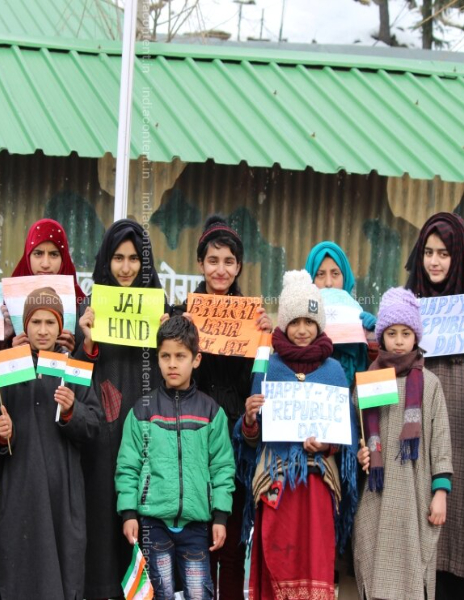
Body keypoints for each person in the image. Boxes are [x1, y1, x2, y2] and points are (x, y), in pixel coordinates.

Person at [235, 270, 357, 600]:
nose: (302, 330)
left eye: (309, 321)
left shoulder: (334, 371)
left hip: (316, 485)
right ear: (284, 325)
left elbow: (346, 436)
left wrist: (327, 444)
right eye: (294, 321)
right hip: (276, 486)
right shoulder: (268, 367)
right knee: (277, 561)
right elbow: (250, 439)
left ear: (319, 325)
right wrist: (249, 419)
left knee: (315, 563)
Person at [168, 215, 271, 599]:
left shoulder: (253, 319)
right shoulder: (182, 314)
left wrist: (267, 335)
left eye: (229, 261)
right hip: (191, 435)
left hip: (236, 442)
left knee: (231, 546)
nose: (221, 269)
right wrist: (177, 327)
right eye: (213, 260)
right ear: (200, 264)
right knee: (196, 543)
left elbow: (257, 380)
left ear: (239, 266)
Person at [0, 287, 100, 599]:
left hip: (62, 499)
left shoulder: (73, 368)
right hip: (19, 497)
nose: (42, 330)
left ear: (60, 326)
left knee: (62, 581)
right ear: (25, 326)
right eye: (35, 322)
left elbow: (94, 426)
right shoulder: (9, 369)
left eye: (49, 322)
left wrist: (71, 412)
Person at [115, 316, 235, 599]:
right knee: (161, 593)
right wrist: (129, 513)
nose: (172, 363)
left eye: (180, 356)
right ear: (157, 359)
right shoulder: (142, 410)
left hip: (196, 525)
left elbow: (222, 467)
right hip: (153, 523)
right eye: (165, 355)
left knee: (198, 594)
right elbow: (128, 465)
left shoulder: (211, 412)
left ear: (196, 360)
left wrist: (220, 516)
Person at [81, 219, 167, 599]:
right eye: (118, 258)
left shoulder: (162, 310)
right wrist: (86, 343)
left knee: (146, 540)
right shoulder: (90, 311)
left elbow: (179, 370)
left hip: (150, 445)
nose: (127, 267)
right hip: (102, 443)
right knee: (102, 534)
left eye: (135, 259)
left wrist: (167, 335)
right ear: (106, 261)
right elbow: (75, 377)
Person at [354, 287, 453, 600]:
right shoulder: (370, 380)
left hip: (415, 493)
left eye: (406, 332)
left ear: (416, 336)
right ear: (381, 336)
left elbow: (440, 440)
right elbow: (359, 432)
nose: (398, 340)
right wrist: (361, 453)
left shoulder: (429, 383)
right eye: (392, 332)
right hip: (376, 495)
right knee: (375, 567)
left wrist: (440, 493)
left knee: (412, 579)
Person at [405, 213, 464, 600]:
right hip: (413, 444)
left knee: (449, 554)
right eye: (428, 252)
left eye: (444, 253)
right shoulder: (404, 309)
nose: (434, 261)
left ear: (459, 258)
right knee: (411, 554)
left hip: (460, 447)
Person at [305, 241, 370, 600]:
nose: (329, 282)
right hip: (314, 442)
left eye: (335, 274)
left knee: (350, 519)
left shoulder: (364, 325)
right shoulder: (300, 328)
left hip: (353, 440)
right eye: (320, 275)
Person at [10, 218, 87, 353]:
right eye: (38, 253)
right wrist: (10, 348)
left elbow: (87, 363)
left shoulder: (81, 305)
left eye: (53, 254)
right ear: (28, 256)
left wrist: (74, 350)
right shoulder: (8, 299)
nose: (45, 264)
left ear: (64, 258)